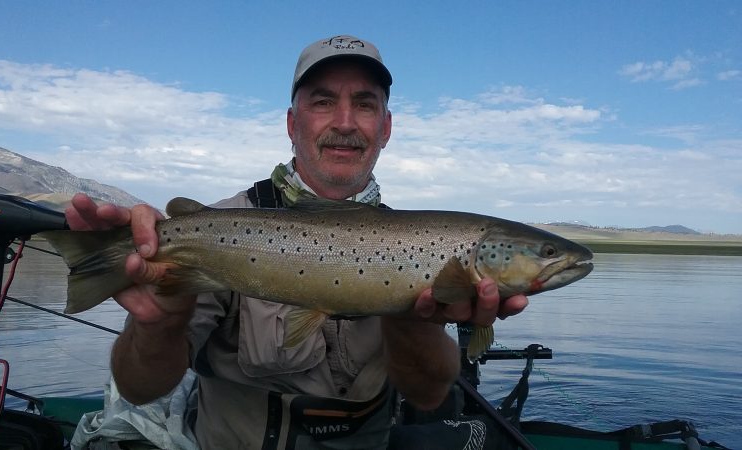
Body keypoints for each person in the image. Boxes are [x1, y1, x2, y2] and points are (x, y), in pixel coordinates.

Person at [66, 35, 529, 449]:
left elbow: (428, 394)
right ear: (292, 124)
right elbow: (139, 389)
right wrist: (158, 326)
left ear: (385, 128)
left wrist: (410, 316)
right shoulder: (221, 225)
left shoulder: (419, 242)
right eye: (323, 102)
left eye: (365, 104)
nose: (345, 121)